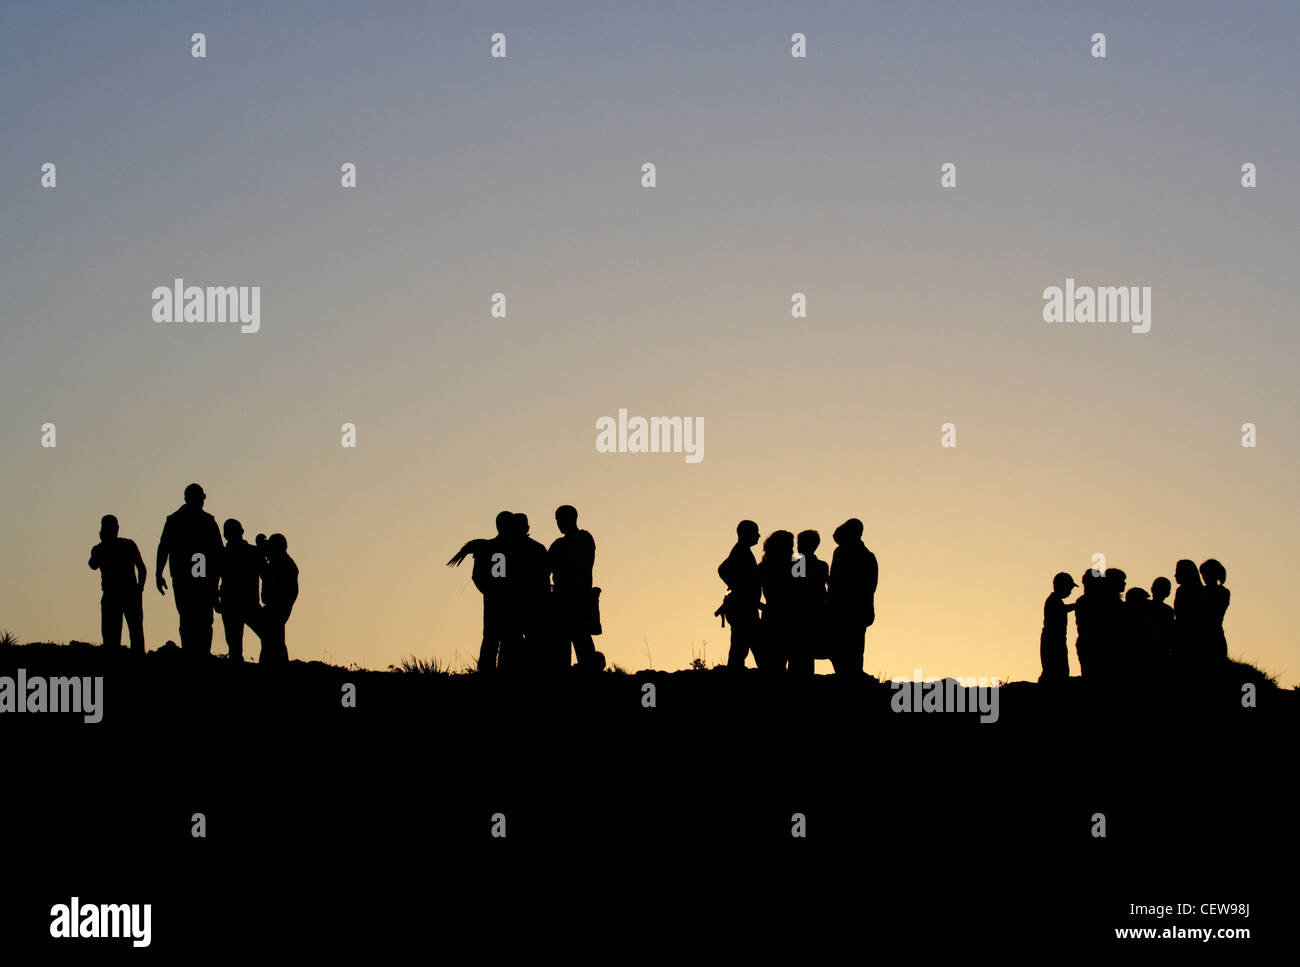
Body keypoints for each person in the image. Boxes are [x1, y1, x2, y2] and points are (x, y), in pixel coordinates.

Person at [156, 483, 223, 656]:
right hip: (191, 576)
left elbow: (218, 554)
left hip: (193, 576)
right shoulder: (188, 521)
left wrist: (159, 573)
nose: (201, 501)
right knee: (193, 617)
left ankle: (197, 653)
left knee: (196, 617)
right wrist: (158, 573)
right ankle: (194, 653)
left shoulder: (184, 520)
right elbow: (164, 547)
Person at [448, 511, 517, 672]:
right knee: (501, 638)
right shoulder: (504, 549)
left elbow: (477, 577)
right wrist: (495, 592)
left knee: (493, 638)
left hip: (494, 599)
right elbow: (481, 577)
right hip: (504, 601)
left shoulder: (490, 547)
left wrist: (489, 592)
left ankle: (488, 673)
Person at [548, 505, 599, 669]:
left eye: (559, 520)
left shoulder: (581, 539)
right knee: (565, 648)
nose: (558, 524)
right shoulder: (565, 543)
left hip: (575, 600)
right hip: (568, 601)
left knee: (580, 643)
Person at [826, 518, 878, 676]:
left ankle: (851, 676)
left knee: (849, 647)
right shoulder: (863, 555)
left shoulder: (848, 553)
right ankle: (851, 676)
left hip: (849, 610)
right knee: (850, 647)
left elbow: (839, 582)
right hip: (854, 610)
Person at [89, 514, 147, 653]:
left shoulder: (102, 548)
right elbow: (142, 568)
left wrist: (140, 587)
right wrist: (140, 587)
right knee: (128, 635)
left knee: (126, 635)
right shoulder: (126, 545)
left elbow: (92, 564)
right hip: (121, 595)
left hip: (119, 595)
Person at [718, 521, 762, 670]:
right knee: (750, 644)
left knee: (741, 645)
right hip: (744, 608)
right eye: (756, 532)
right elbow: (722, 570)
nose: (758, 535)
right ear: (746, 534)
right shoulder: (741, 552)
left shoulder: (742, 551)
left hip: (744, 606)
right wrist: (740, 589)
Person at [216, 519, 261, 662]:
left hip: (238, 604)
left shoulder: (224, 554)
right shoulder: (253, 552)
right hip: (242, 603)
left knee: (235, 646)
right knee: (235, 647)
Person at [512, 513, 552, 671]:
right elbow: (545, 575)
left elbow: (498, 578)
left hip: (523, 603)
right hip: (531, 603)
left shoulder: (504, 551)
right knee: (533, 642)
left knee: (518, 642)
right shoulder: (538, 548)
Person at [790, 530, 829, 676]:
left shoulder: (798, 561)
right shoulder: (822, 566)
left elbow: (798, 585)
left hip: (802, 613)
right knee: (806, 652)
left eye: (801, 543)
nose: (798, 547)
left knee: (801, 653)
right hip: (815, 611)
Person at [256, 533, 298, 665]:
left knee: (272, 639)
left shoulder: (283, 564)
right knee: (274, 639)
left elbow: (267, 575)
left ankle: (275, 665)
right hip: (278, 606)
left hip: (277, 607)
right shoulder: (281, 561)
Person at [757, 531, 796, 672]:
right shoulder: (798, 563)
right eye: (789, 546)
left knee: (776, 661)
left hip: (777, 615)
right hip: (784, 616)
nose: (792, 550)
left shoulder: (764, 566)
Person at [1038, 572, 1076, 683]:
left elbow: (1063, 608)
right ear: (1062, 586)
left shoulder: (1055, 601)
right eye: (1069, 588)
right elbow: (1062, 610)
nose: (1070, 591)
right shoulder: (1053, 601)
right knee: (1055, 671)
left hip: (1055, 640)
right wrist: (1076, 605)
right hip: (1053, 641)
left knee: (1056, 671)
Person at [1172, 559, 1204, 671]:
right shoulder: (1184, 590)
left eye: (1178, 571)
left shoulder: (1185, 591)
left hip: (1188, 636)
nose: (1175, 575)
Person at [1199, 559, 1230, 666]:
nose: (1204, 577)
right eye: (1203, 574)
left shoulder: (1223, 592)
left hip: (1213, 637)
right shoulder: (1201, 591)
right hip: (1207, 636)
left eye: (1206, 573)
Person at [1150, 577, 1176, 669]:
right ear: (1168, 594)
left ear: (1152, 589)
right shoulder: (1168, 611)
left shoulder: (1143, 606)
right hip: (1161, 651)